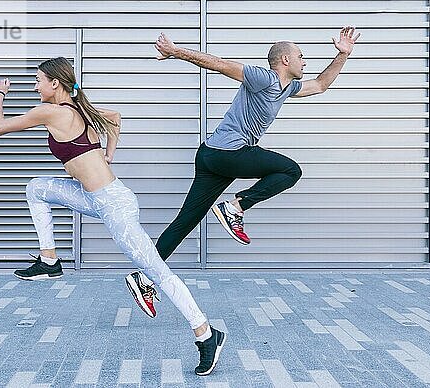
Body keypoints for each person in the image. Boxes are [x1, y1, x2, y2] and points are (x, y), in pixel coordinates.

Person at [0, 57, 225, 376]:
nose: (35, 86)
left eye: (38, 80)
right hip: (93, 197)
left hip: (114, 205)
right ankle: (49, 260)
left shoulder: (52, 111)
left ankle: (207, 335)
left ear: (54, 84)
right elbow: (114, 118)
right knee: (37, 187)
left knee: (156, 271)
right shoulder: (79, 110)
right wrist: (109, 154)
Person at [126, 27, 361, 316]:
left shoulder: (288, 87)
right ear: (285, 59)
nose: (305, 61)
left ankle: (144, 277)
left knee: (185, 221)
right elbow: (221, 65)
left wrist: (342, 54)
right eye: (301, 56)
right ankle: (235, 208)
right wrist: (177, 51)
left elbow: (322, 85)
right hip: (228, 153)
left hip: (212, 156)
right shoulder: (265, 78)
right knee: (290, 170)